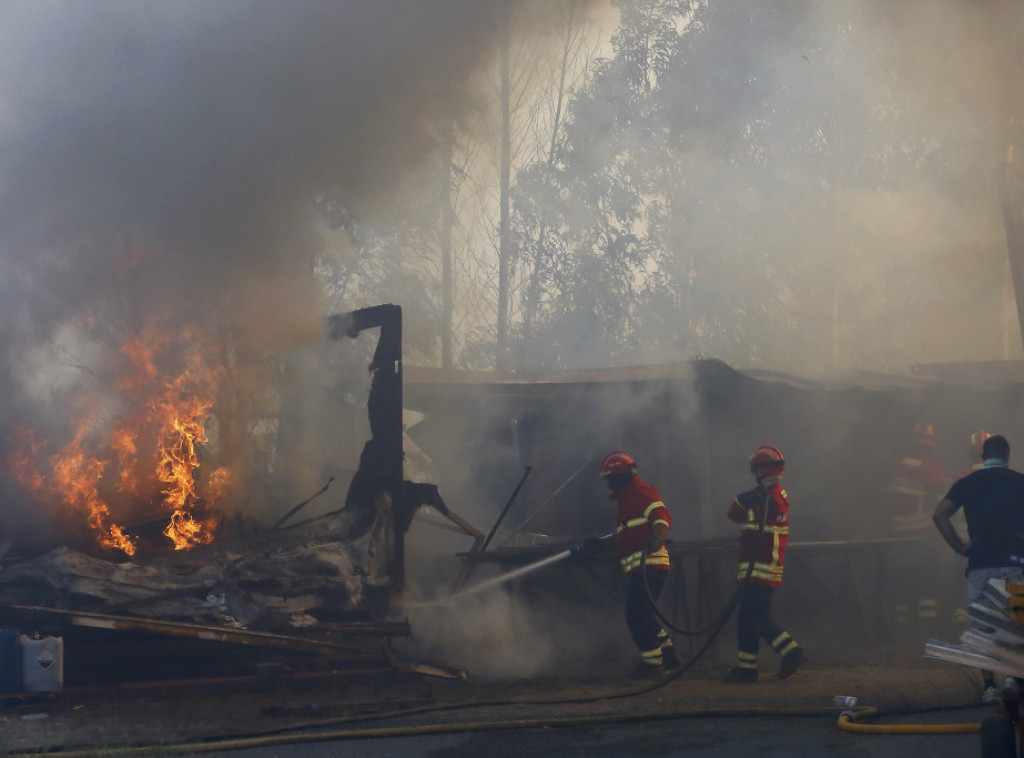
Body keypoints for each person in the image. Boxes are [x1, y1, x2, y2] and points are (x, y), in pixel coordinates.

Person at [933, 434, 1024, 703]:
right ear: (1007, 455)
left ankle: (988, 688)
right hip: (1015, 563)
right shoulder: (1020, 482)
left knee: (983, 627)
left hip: (980, 564)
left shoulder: (967, 483)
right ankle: (1011, 679)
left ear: (983, 457)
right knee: (1014, 622)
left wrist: (959, 547)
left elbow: (939, 515)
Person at [722, 445, 806, 683]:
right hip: (763, 569)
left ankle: (788, 653)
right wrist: (749, 497)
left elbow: (734, 514)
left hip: (759, 569)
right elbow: (737, 515)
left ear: (760, 471)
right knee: (754, 617)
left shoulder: (768, 501)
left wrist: (747, 499)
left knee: (753, 619)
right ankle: (750, 666)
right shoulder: (775, 496)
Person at [598, 450, 681, 678]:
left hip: (650, 565)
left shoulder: (641, 491)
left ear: (621, 474)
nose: (608, 484)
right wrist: (601, 544)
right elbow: (629, 535)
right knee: (643, 613)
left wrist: (658, 537)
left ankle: (653, 664)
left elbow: (661, 515)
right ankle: (668, 653)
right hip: (640, 567)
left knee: (636, 615)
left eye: (610, 478)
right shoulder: (627, 500)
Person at [887, 423, 950, 636]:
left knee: (903, 583)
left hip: (897, 535)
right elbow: (944, 503)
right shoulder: (933, 469)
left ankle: (901, 632)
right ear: (932, 446)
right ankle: (926, 631)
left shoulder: (896, 465)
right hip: (922, 535)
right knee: (928, 581)